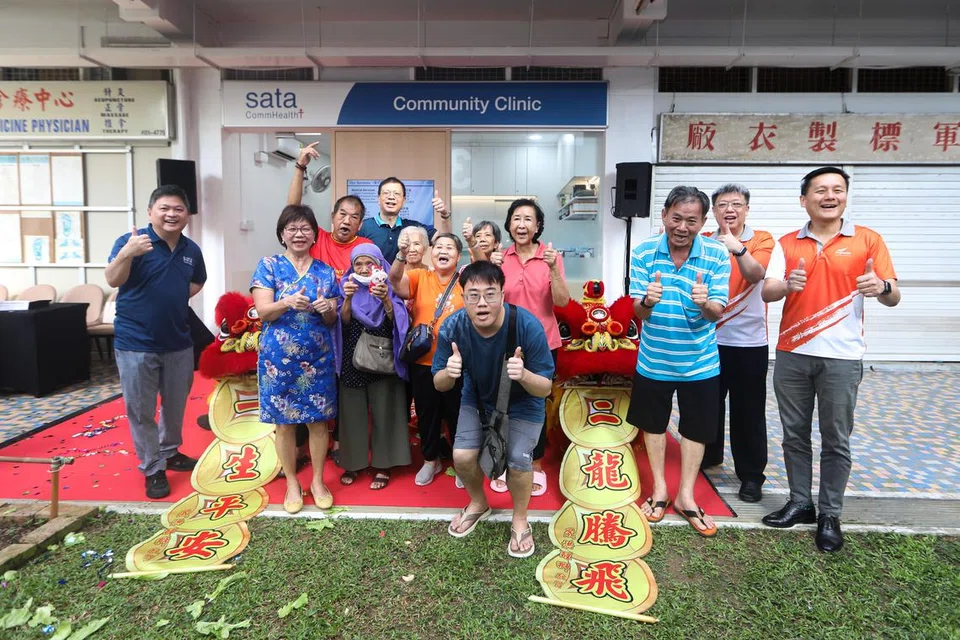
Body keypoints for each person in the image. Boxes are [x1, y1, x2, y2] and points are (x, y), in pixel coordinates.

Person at [761, 167, 900, 552]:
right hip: (792, 354)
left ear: (845, 197)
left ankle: (830, 514)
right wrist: (786, 285)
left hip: (842, 358)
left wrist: (881, 286)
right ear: (803, 199)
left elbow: (893, 296)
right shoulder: (786, 243)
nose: (830, 196)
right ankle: (800, 502)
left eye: (837, 189)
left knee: (836, 438)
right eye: (820, 190)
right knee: (794, 434)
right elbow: (768, 291)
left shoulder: (868, 240)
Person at [434, 261, 555, 557]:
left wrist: (523, 375)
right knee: (462, 456)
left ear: (502, 294)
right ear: (463, 297)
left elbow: (545, 388)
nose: (482, 303)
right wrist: (449, 372)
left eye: (490, 294)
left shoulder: (527, 326)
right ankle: (479, 503)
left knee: (518, 461)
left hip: (524, 404)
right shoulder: (452, 327)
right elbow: (439, 384)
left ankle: (520, 518)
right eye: (473, 295)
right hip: (477, 399)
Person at [629, 186, 731, 537]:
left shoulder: (717, 255)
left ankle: (686, 496)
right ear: (664, 216)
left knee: (696, 429)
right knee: (653, 425)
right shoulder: (644, 252)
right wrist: (648, 300)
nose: (682, 227)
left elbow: (717, 313)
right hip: (653, 359)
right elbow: (638, 311)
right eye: (676, 218)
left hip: (700, 362)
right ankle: (659, 489)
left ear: (703, 222)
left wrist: (705, 302)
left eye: (691, 221)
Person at [106, 185, 206, 500]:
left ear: (187, 215)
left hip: (178, 340)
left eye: (178, 209)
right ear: (150, 212)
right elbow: (112, 279)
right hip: (136, 342)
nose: (171, 214)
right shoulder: (131, 243)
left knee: (175, 405)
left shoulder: (191, 250)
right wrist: (127, 254)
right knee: (141, 409)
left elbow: (198, 281)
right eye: (164, 208)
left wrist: (171, 296)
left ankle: (170, 451)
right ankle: (152, 467)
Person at [250, 205, 340, 514]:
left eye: (305, 229)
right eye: (292, 229)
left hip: (317, 358)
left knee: (318, 422)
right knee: (284, 424)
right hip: (278, 360)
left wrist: (327, 309)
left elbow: (332, 320)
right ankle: (291, 482)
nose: (299, 234)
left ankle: (318, 481)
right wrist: (286, 302)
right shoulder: (269, 266)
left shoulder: (326, 272)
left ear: (315, 235)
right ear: (282, 234)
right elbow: (263, 312)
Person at [701, 184, 783, 503]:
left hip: (749, 343)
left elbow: (756, 274)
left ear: (747, 209)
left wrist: (737, 248)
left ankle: (750, 476)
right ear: (713, 211)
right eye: (723, 205)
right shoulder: (703, 240)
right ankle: (709, 457)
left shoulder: (761, 239)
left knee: (748, 411)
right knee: (708, 404)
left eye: (737, 204)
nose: (730, 210)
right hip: (708, 339)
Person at [492, 199, 569, 496]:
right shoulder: (500, 257)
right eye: (516, 218)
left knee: (536, 403)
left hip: (543, 343)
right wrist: (490, 268)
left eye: (528, 219)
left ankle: (534, 463)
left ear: (538, 226)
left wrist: (554, 269)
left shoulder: (551, 257)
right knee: (504, 402)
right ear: (509, 224)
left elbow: (561, 302)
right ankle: (503, 461)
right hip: (504, 342)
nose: (521, 224)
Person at [389, 232, 465, 486]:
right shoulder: (420, 276)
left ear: (458, 255)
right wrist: (400, 255)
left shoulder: (466, 280)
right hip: (423, 362)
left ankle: (462, 463)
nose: (443, 251)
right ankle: (431, 460)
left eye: (450, 247)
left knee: (458, 414)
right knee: (427, 414)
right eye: (439, 246)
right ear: (431, 253)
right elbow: (394, 282)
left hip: (457, 363)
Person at [337, 244, 412, 490]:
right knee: (352, 412)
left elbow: (399, 322)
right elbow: (342, 322)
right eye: (358, 264)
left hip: (383, 357)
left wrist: (385, 299)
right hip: (353, 358)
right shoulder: (346, 286)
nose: (363, 269)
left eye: (369, 263)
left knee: (385, 409)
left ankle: (384, 464)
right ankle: (353, 462)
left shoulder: (389, 286)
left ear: (379, 265)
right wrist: (348, 298)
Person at [286, 142, 372, 279]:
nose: (347, 221)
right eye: (342, 214)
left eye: (354, 217)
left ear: (360, 224)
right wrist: (300, 166)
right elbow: (292, 212)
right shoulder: (316, 238)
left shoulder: (366, 246)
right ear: (332, 217)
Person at [359, 177, 453, 264]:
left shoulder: (413, 227)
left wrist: (445, 215)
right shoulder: (363, 227)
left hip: (406, 277)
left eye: (396, 194)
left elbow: (443, 240)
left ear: (403, 201)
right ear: (378, 199)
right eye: (386, 193)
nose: (391, 197)